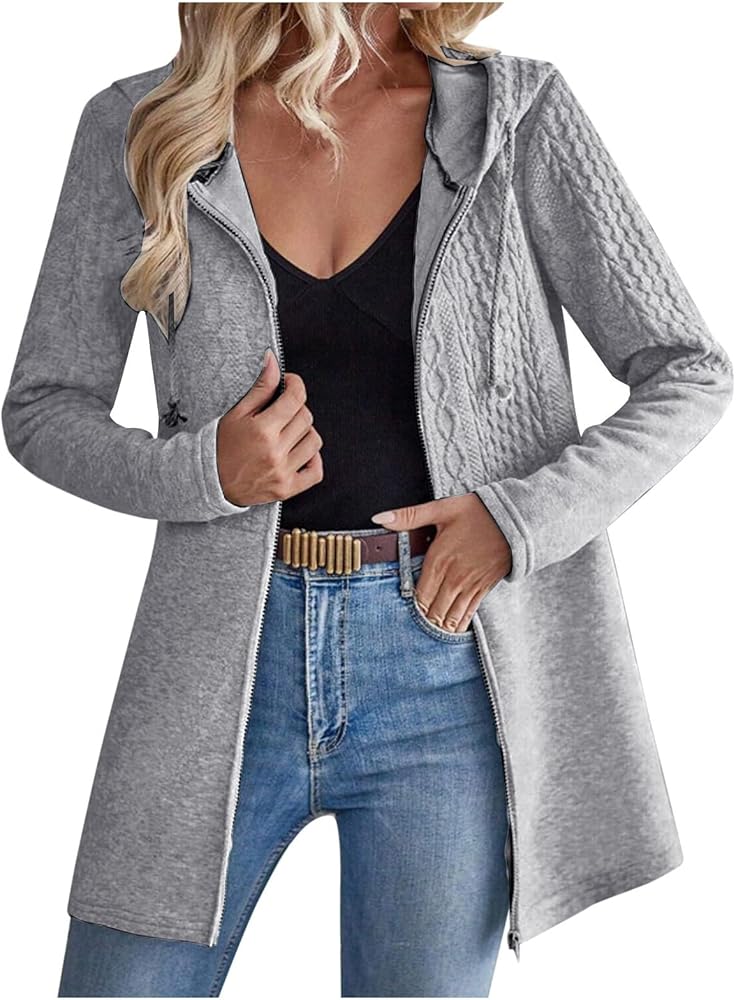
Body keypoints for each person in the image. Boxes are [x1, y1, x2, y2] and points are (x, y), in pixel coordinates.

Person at [2, 2, 731, 997]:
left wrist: (516, 521)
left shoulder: (515, 118)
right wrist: (205, 471)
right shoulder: (145, 125)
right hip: (219, 664)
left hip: (445, 664)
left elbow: (689, 369)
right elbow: (43, 408)